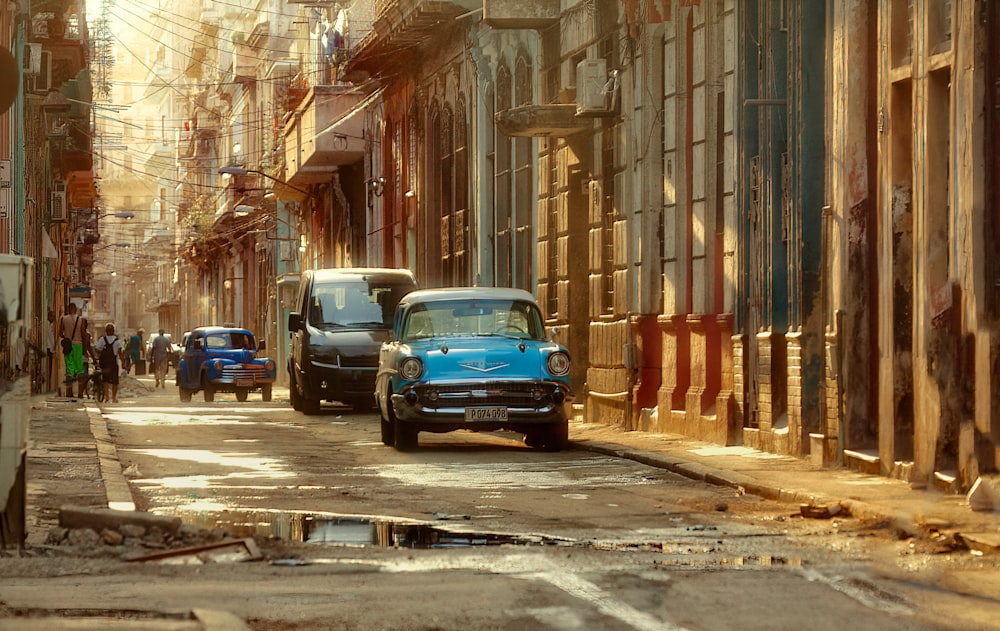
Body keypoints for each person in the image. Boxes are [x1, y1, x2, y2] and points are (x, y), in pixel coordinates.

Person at [58, 302, 88, 398]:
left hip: (68, 346)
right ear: (75, 309)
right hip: (78, 345)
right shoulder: (81, 320)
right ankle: (80, 393)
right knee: (79, 370)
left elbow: (60, 333)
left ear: (68, 309)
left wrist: (66, 337)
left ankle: (69, 392)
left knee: (69, 370)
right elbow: (83, 332)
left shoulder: (63, 319)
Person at [93, 322, 125, 403]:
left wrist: (102, 351)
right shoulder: (117, 341)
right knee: (115, 381)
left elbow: (96, 349)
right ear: (113, 331)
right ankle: (114, 398)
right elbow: (120, 353)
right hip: (114, 363)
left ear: (106, 331)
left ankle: (107, 397)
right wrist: (123, 363)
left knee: (105, 380)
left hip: (104, 363)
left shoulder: (102, 339)